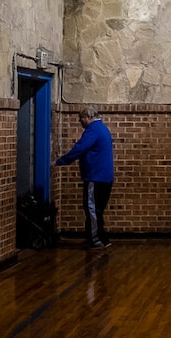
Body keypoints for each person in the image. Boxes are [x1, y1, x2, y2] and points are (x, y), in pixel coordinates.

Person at [54, 106, 114, 249]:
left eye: (81, 119)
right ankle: (100, 238)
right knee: (97, 209)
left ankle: (96, 239)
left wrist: (60, 161)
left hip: (95, 176)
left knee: (92, 209)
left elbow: (80, 148)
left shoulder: (93, 130)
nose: (80, 122)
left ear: (88, 117)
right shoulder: (103, 129)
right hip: (104, 177)